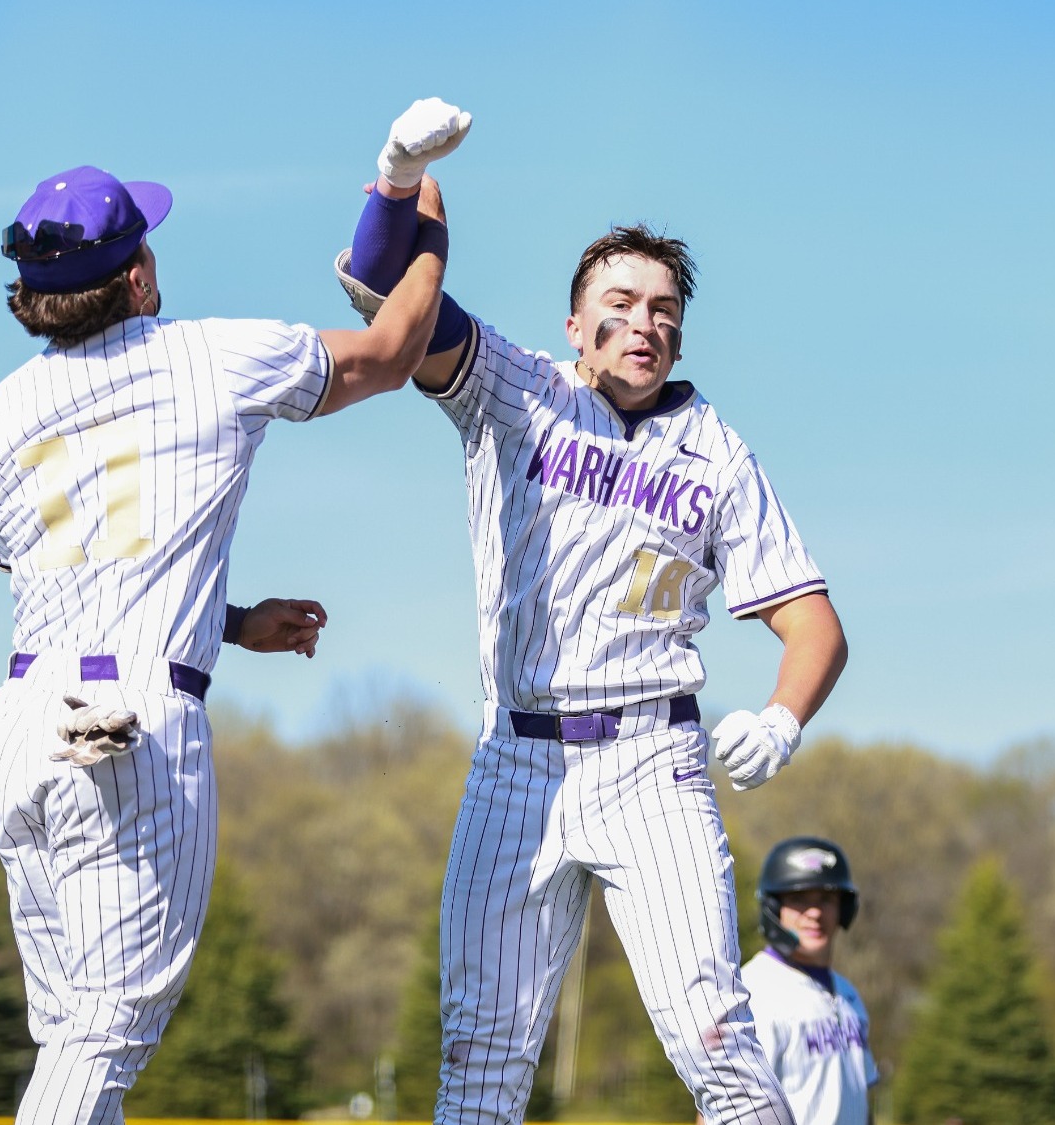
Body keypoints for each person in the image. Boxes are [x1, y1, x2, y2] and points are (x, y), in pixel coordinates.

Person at [337, 104, 849, 1125]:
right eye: (619, 301)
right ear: (574, 324)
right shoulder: (516, 390)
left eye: (663, 308)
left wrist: (783, 718)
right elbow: (380, 293)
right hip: (513, 759)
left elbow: (813, 624)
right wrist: (395, 175)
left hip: (650, 762)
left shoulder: (715, 451)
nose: (644, 322)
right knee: (478, 1062)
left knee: (717, 1043)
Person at [0, 103, 466, 1125]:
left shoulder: (0, 411)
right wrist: (432, 239)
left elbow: (60, 568)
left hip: (22, 719)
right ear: (139, 277)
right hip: (128, 727)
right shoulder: (211, 356)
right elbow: (385, 351)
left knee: (71, 1036)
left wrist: (232, 622)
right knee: (106, 1033)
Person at [738, 837, 877, 1125]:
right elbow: (720, 1108)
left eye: (826, 899)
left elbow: (862, 1100)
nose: (814, 913)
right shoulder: (751, 994)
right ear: (773, 910)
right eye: (799, 899)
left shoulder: (848, 995)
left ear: (844, 909)